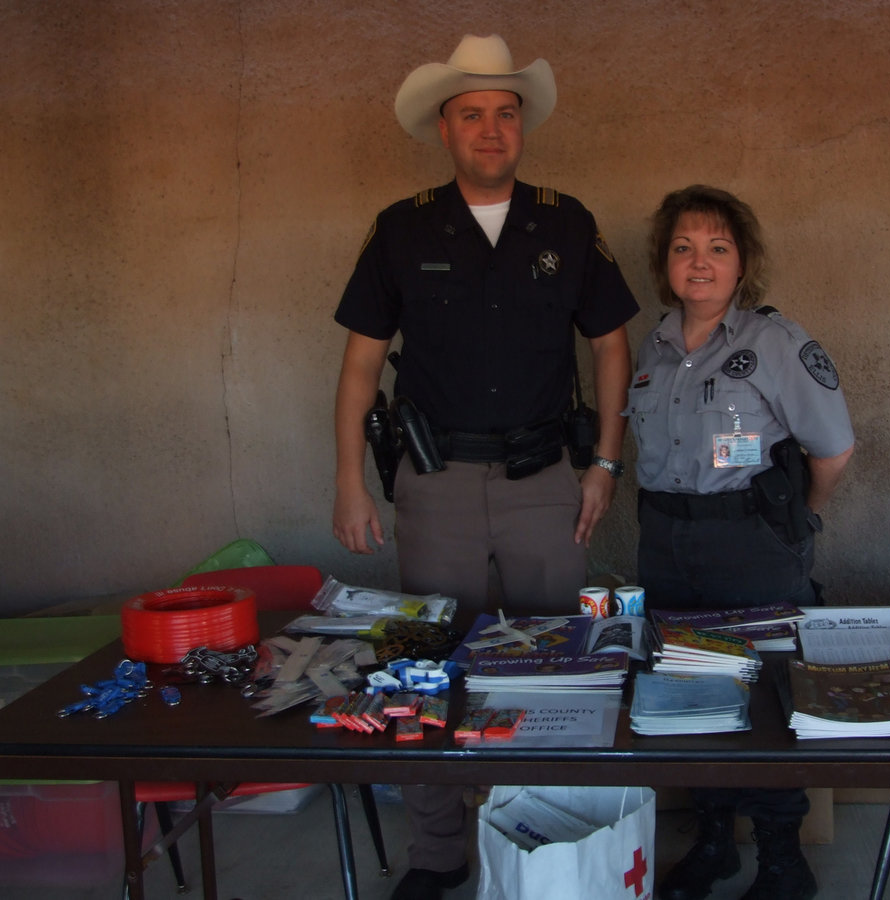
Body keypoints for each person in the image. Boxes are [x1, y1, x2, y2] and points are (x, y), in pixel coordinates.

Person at [331, 34, 638, 900]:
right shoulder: (402, 227)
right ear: (445, 129)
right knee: (430, 661)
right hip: (436, 485)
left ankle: (544, 833)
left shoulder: (566, 223)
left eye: (506, 113)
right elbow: (360, 365)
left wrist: (605, 464)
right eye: (472, 114)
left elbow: (612, 348)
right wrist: (350, 480)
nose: (491, 129)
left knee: (555, 661)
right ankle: (439, 851)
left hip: (545, 481)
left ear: (522, 125)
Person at [625, 185, 854, 900]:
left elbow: (834, 449)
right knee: (685, 689)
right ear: (665, 264)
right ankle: (715, 841)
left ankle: (783, 859)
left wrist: (798, 520)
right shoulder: (654, 346)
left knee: (767, 697)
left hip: (751, 542)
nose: (700, 263)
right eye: (684, 248)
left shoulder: (774, 342)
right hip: (667, 541)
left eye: (717, 248)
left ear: (742, 262)